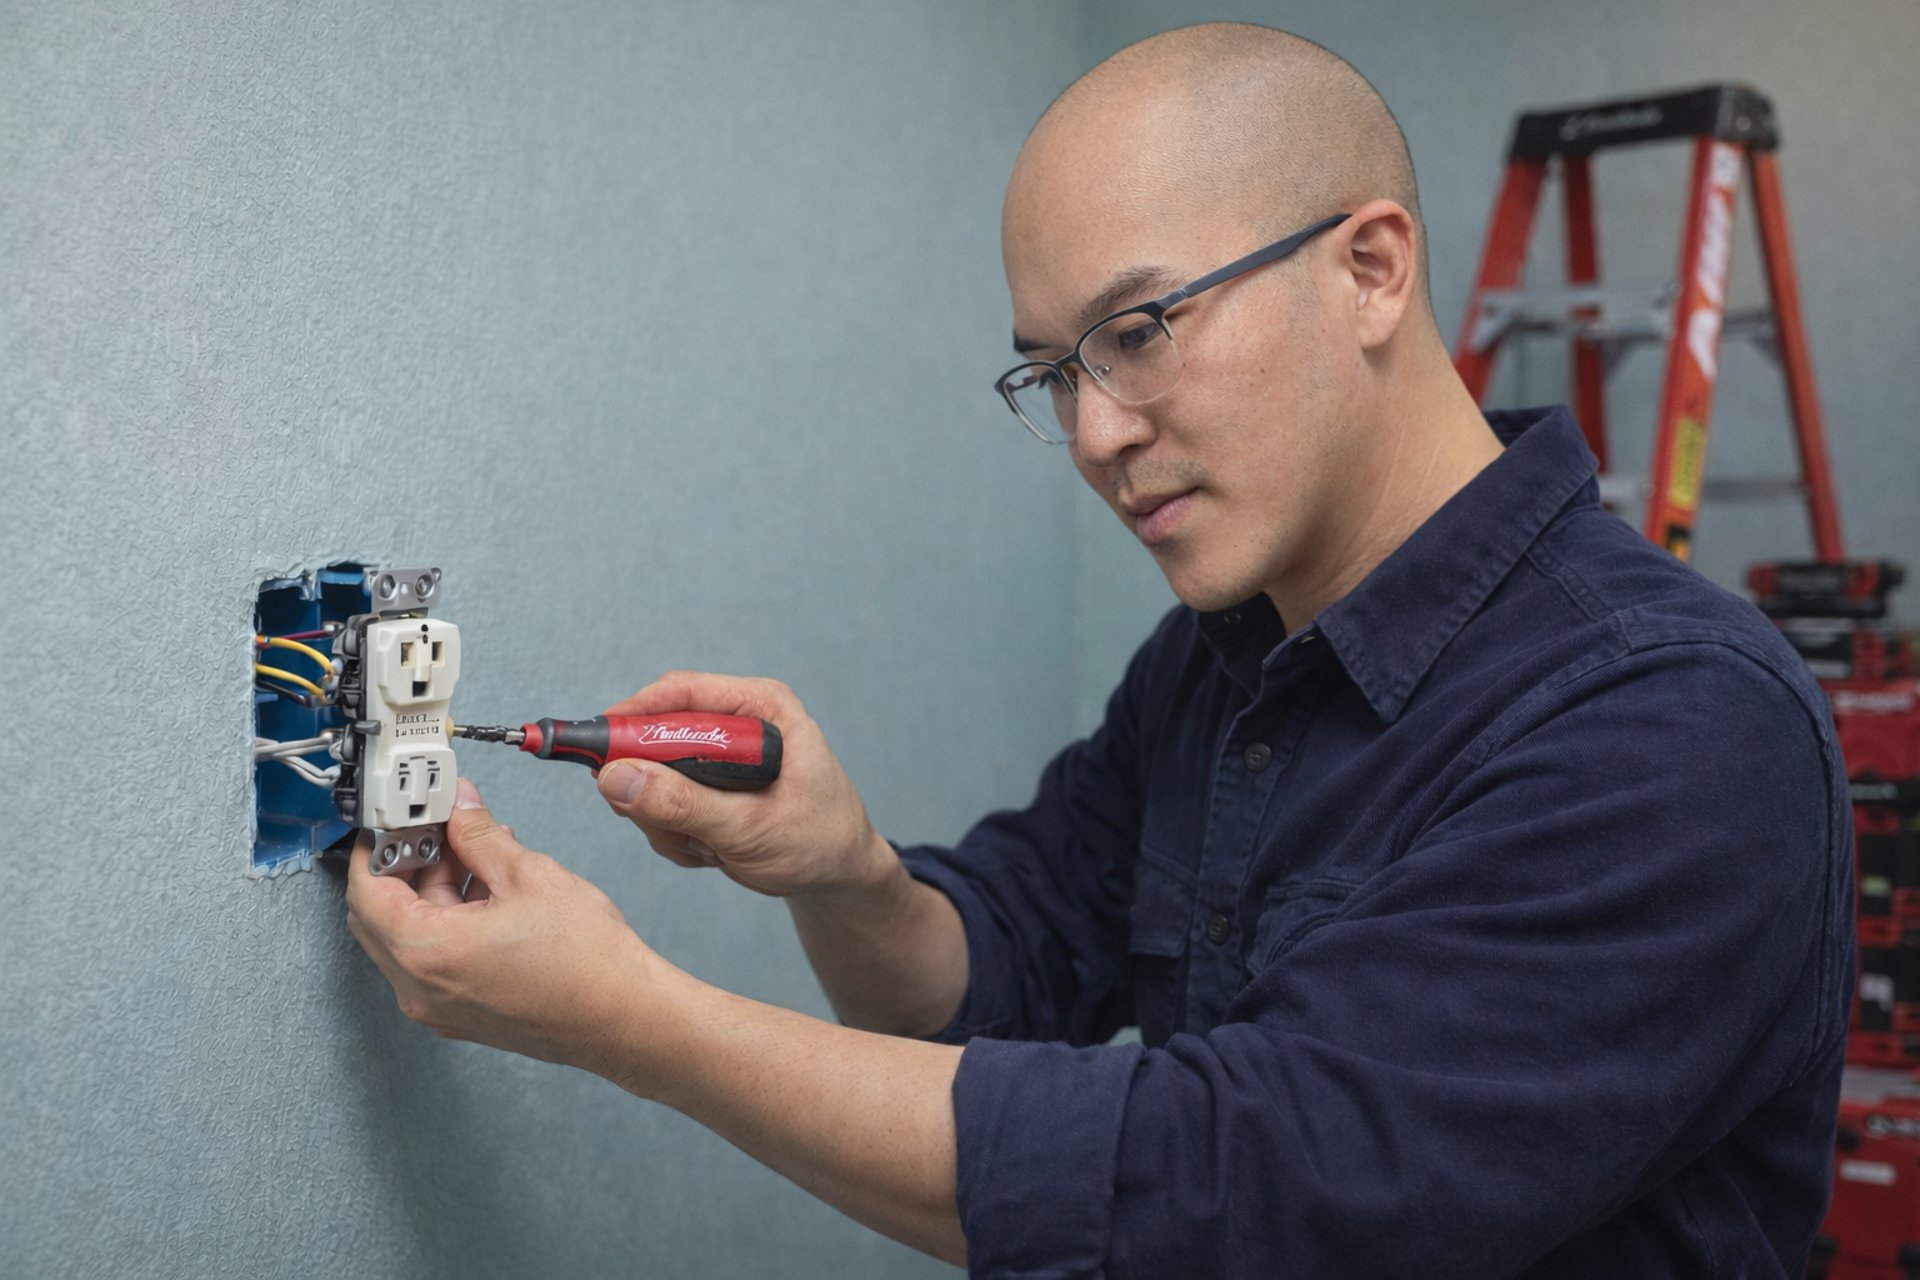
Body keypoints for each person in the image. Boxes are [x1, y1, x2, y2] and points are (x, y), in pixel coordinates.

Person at [346, 23, 1853, 1277]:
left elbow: (1236, 1193)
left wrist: (634, 1022)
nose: (1097, 434)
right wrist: (847, 871)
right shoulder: (1224, 653)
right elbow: (996, 984)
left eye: (1141, 331)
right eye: (1055, 371)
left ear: (1373, 269)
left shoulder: (1675, 726)